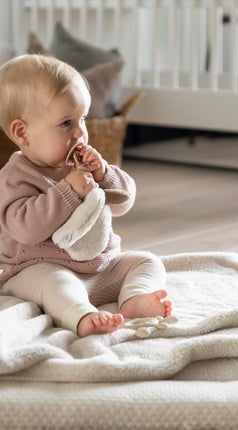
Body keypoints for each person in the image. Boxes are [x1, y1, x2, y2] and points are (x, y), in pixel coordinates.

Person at [0, 54, 171, 337]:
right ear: (23, 132)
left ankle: (134, 300)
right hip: (37, 269)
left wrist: (103, 174)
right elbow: (26, 229)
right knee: (56, 285)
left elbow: (123, 203)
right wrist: (68, 191)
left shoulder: (83, 165)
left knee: (147, 261)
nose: (81, 132)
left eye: (83, 119)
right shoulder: (15, 176)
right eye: (66, 123)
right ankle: (81, 315)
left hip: (102, 267)